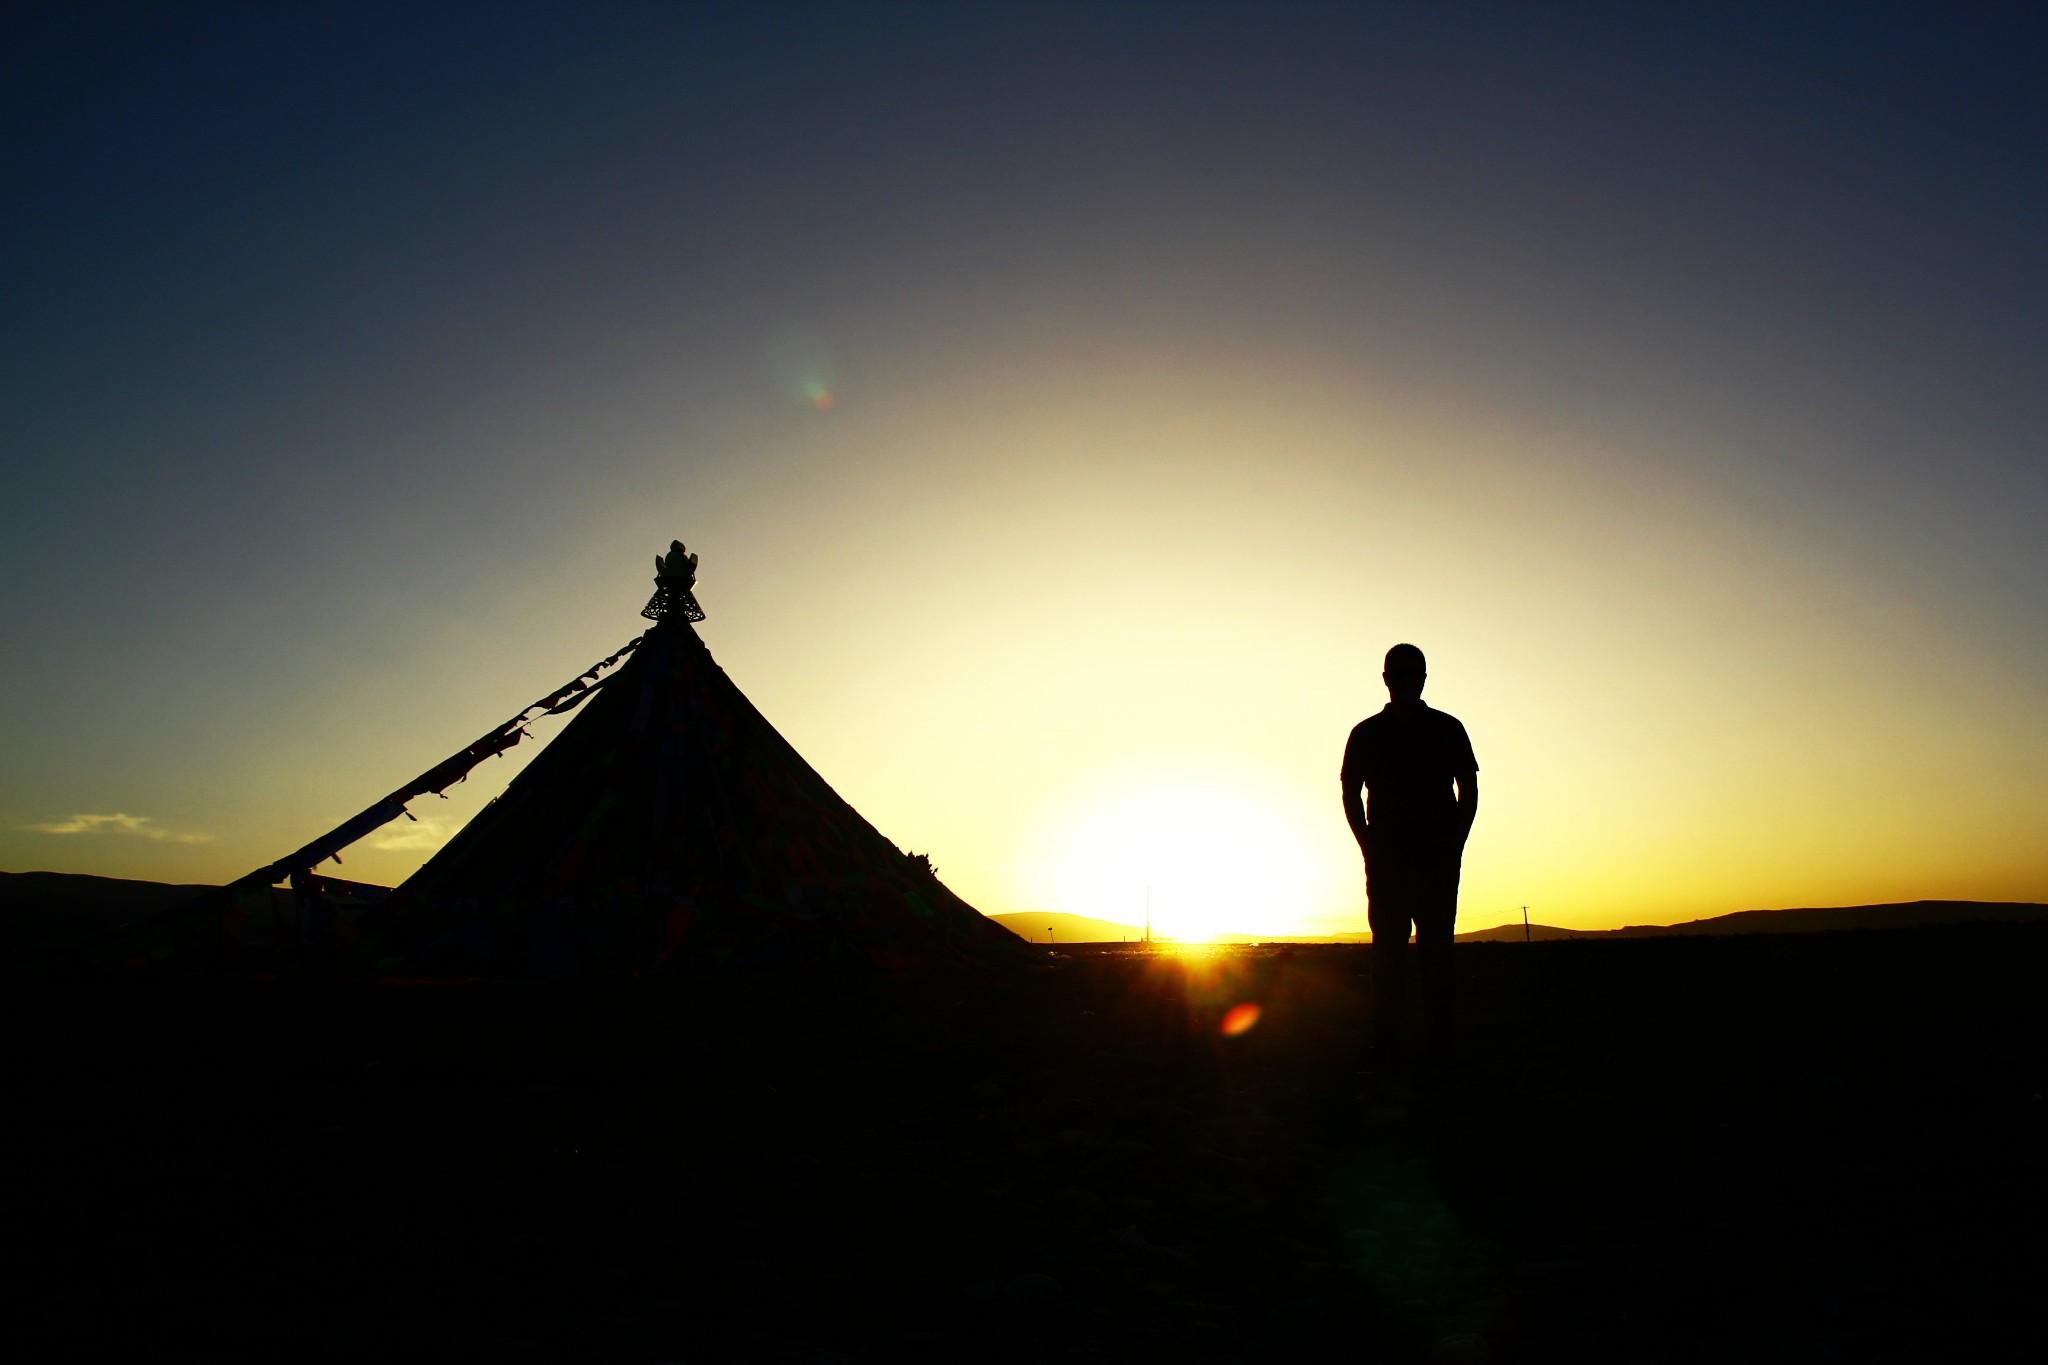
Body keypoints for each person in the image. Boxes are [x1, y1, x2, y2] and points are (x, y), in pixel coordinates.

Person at [1341, 643, 1478, 1062]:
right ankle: (1385, 1045)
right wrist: (1367, 844)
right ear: (1386, 679)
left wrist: (1454, 844)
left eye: (1411, 673)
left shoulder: (1447, 728)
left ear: (1423, 677)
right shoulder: (1366, 733)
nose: (1403, 680)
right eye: (1396, 673)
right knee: (1388, 954)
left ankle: (1441, 1045)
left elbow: (1468, 789)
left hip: (1436, 859)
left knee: (1437, 951)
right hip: (1387, 861)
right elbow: (1349, 790)